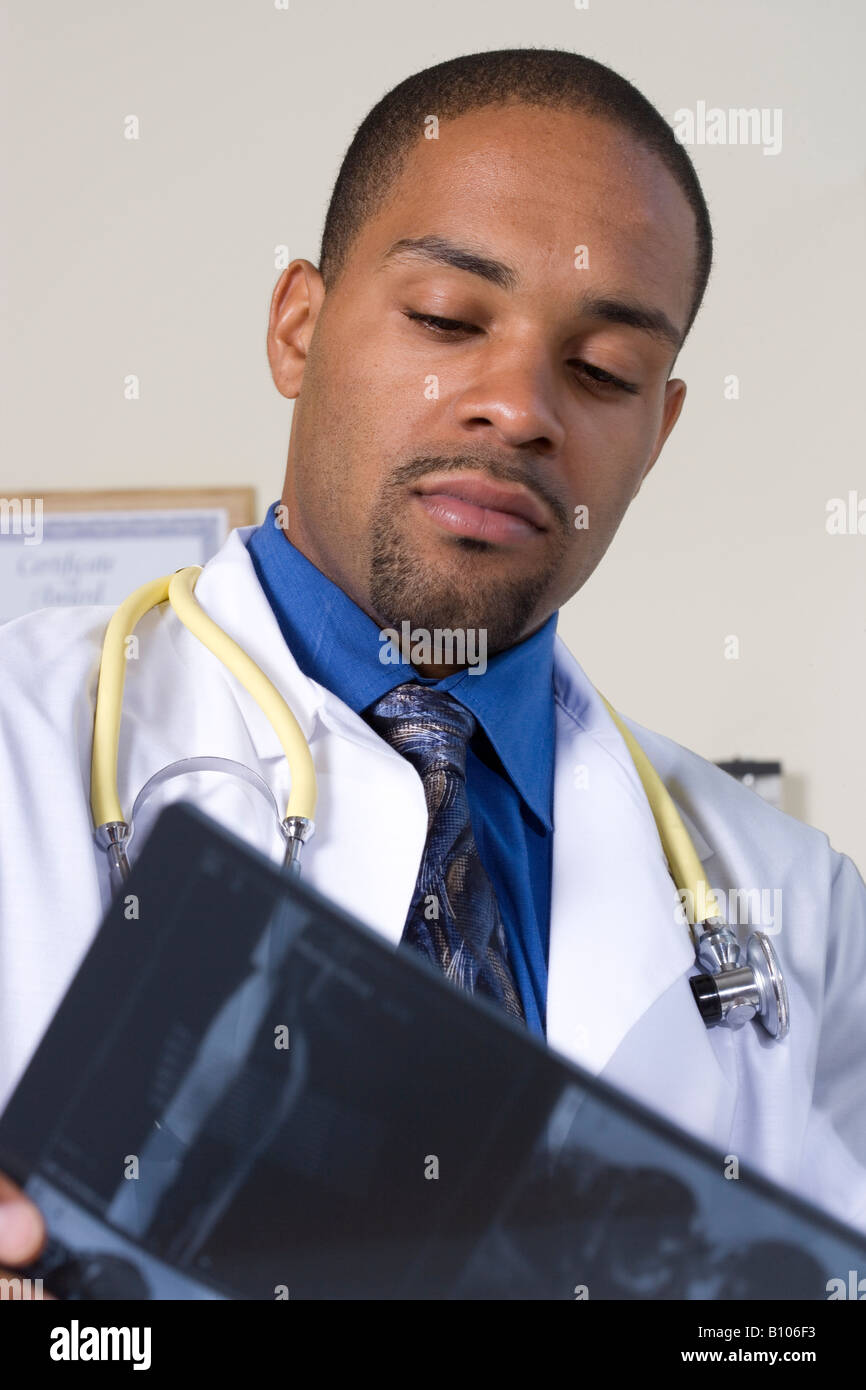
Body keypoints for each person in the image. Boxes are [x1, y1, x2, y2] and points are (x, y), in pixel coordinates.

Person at [1, 49, 864, 1299]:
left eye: (603, 371)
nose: (518, 407)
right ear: (296, 327)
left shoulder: (793, 903)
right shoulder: (24, 745)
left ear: (657, 429)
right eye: (448, 321)